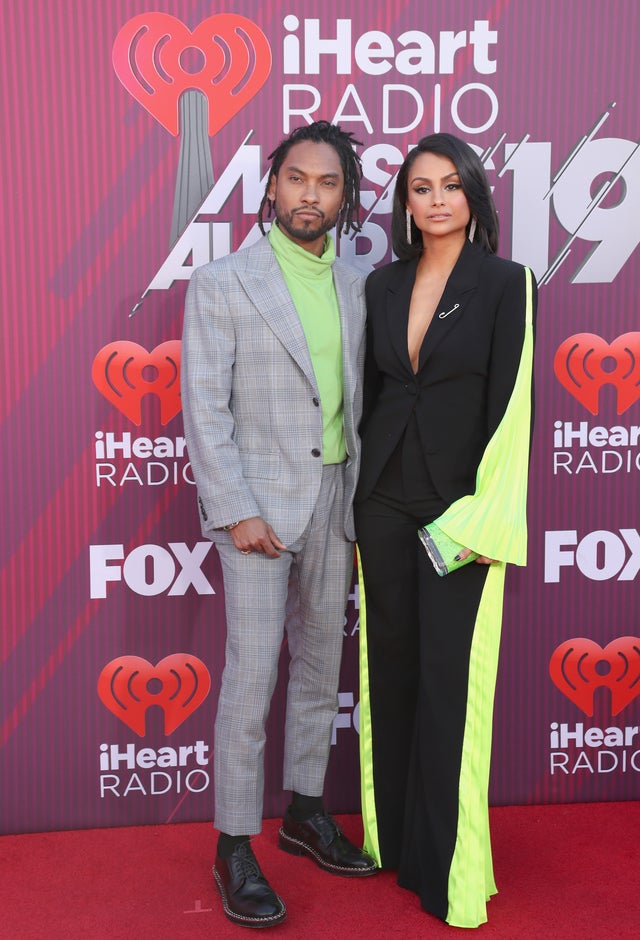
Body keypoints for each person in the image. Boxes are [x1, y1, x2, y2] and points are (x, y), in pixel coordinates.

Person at [181, 121, 377, 930]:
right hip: (257, 508)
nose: (309, 195)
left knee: (320, 669)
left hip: (340, 499)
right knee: (251, 678)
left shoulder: (364, 283)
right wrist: (236, 509)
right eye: (296, 179)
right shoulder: (224, 281)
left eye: (326, 184)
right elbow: (204, 406)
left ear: (344, 197)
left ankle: (303, 811)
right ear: (272, 187)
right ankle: (233, 843)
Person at [354, 133, 536, 928]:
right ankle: (393, 841)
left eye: (449, 185)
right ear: (405, 203)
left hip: (461, 509)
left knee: (449, 685)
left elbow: (515, 406)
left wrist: (483, 515)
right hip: (383, 500)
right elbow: (371, 396)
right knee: (389, 670)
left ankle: (449, 869)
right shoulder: (382, 285)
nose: (435, 200)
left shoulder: (507, 284)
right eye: (420, 187)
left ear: (474, 196)